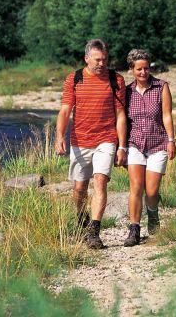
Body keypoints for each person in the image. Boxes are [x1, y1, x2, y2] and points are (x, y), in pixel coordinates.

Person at [55, 39, 127, 249]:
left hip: (106, 139)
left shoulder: (116, 80)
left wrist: (121, 146)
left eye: (104, 59)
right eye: (97, 60)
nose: (101, 64)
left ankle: (94, 232)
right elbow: (65, 110)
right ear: (86, 58)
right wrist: (59, 136)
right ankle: (81, 221)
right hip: (80, 140)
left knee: (100, 181)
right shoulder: (74, 79)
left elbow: (120, 115)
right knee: (79, 188)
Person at [123, 49, 176, 247]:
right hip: (134, 143)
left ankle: (153, 216)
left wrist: (171, 140)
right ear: (131, 70)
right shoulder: (127, 92)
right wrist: (121, 147)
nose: (143, 72)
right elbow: (123, 120)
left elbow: (167, 115)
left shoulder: (161, 87)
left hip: (158, 143)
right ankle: (134, 229)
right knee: (136, 187)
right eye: (139, 69)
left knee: (152, 192)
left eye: (146, 68)